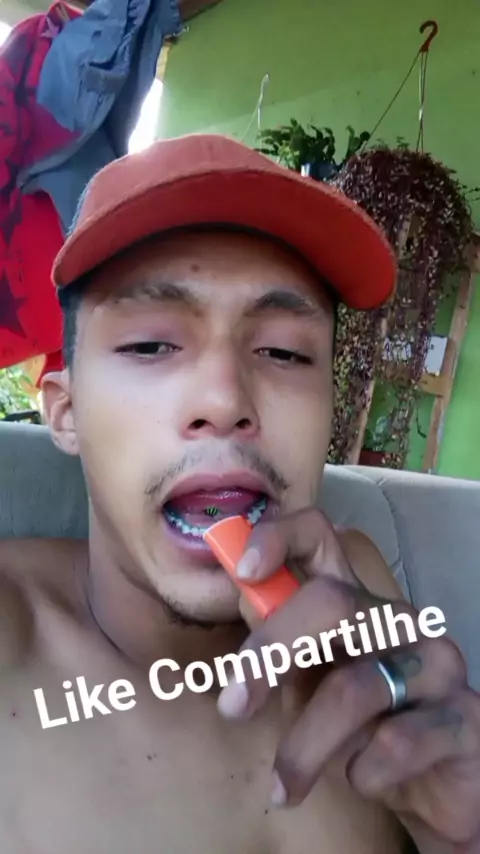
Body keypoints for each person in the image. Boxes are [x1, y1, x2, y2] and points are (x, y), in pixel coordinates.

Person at [0, 134, 479, 854]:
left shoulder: (361, 593)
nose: (226, 401)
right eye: (151, 345)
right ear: (66, 414)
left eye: (284, 352)